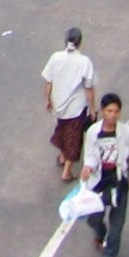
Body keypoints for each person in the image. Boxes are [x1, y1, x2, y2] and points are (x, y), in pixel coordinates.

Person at [80, 93, 129, 257]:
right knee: (94, 218)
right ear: (103, 111)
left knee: (117, 223)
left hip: (119, 181)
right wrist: (88, 168)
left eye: (116, 111)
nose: (112, 115)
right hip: (99, 182)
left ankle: (110, 255)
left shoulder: (126, 132)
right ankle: (99, 233)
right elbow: (90, 155)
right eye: (109, 111)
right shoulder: (93, 132)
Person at [42, 27, 96, 182]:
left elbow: (48, 82)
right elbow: (89, 88)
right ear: (80, 43)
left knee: (62, 128)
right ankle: (66, 171)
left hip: (58, 105)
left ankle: (62, 156)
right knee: (74, 137)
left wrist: (48, 99)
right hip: (76, 108)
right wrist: (92, 109)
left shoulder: (55, 58)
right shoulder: (84, 62)